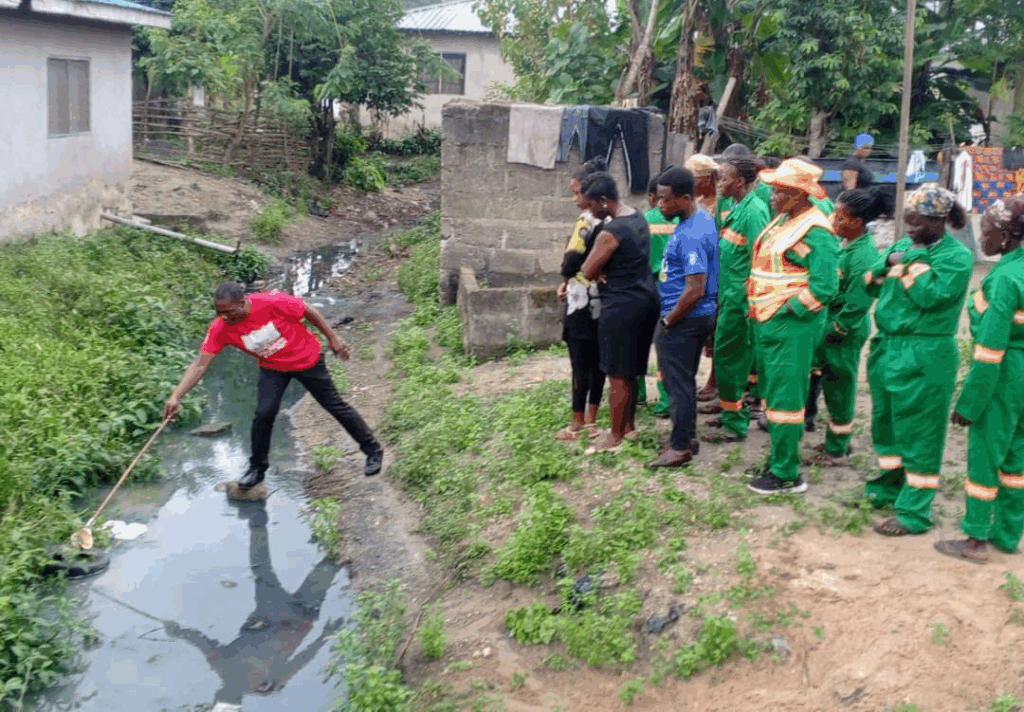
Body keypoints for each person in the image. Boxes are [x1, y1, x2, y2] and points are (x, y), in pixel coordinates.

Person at [163, 283, 383, 487]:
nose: (223, 316)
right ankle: (257, 469)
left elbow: (308, 310)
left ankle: (373, 450)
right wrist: (176, 396)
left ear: (243, 302)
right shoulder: (221, 327)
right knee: (263, 414)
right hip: (273, 368)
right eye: (218, 311)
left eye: (228, 311)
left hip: (307, 360)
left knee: (334, 405)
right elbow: (200, 364)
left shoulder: (271, 302)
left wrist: (333, 338)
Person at [863, 184, 973, 536]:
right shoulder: (903, 245)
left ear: (939, 221)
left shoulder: (957, 257)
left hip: (925, 351)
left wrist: (909, 262)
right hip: (887, 346)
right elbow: (869, 281)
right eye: (907, 220)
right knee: (887, 423)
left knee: (921, 430)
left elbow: (930, 296)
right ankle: (889, 486)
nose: (909, 228)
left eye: (917, 222)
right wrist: (890, 261)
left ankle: (915, 512)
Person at [935, 196, 1024, 562]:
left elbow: (989, 352)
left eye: (987, 232)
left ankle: (975, 538)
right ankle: (1007, 534)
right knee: (1017, 459)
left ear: (1006, 236)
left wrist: (970, 404)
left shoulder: (1004, 278)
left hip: (1005, 375)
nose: (982, 238)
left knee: (986, 453)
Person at [745, 159, 839, 494]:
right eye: (772, 190)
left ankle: (786, 473)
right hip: (769, 322)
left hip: (791, 327)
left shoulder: (815, 231)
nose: (772, 196)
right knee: (773, 395)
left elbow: (825, 286)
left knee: (786, 398)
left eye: (780, 191)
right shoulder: (785, 220)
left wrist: (789, 309)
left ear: (800, 194)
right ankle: (777, 459)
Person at [803, 188, 886, 465]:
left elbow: (858, 301)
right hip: (833, 322)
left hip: (845, 329)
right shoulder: (846, 245)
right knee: (831, 382)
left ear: (857, 222)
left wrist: (837, 328)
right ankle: (837, 440)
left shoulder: (863, 255)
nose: (833, 221)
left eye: (840, 217)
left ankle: (837, 449)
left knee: (840, 387)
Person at [579, 172, 661, 454]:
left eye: (591, 204)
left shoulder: (610, 232)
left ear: (603, 200)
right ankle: (629, 427)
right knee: (633, 368)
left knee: (616, 372)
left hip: (621, 304)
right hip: (646, 299)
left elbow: (587, 270)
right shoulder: (638, 217)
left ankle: (614, 436)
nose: (589, 210)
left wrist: (599, 271)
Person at [647, 167, 719, 467]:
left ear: (685, 198)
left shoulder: (692, 233)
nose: (659, 205)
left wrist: (669, 320)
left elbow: (695, 288)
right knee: (684, 380)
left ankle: (679, 448)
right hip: (693, 316)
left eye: (665, 199)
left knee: (677, 384)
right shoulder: (698, 219)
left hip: (684, 318)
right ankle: (687, 438)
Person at [701, 156, 771, 444]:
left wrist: (747, 298)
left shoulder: (754, 212)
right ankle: (730, 411)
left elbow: (761, 257)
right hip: (729, 296)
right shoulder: (738, 208)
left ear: (740, 182)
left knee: (732, 357)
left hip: (741, 301)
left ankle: (736, 423)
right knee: (725, 356)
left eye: (724, 179)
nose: (719, 184)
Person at [555, 158, 608, 440]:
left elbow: (570, 262)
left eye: (577, 192)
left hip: (580, 303)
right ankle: (592, 421)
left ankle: (576, 424)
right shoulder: (612, 219)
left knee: (579, 365)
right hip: (604, 303)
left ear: (589, 192)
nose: (574, 198)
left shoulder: (585, 221)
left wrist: (566, 279)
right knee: (599, 363)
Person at [685, 153, 721, 405]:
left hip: (714, 274)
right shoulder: (696, 202)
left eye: (693, 179)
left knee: (716, 332)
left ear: (706, 178)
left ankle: (714, 381)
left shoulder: (721, 205)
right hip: (697, 271)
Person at [643, 174, 678, 417]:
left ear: (651, 197)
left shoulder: (646, 219)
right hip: (678, 287)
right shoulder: (682, 218)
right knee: (668, 346)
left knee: (642, 341)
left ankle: (639, 394)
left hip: (651, 284)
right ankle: (667, 398)